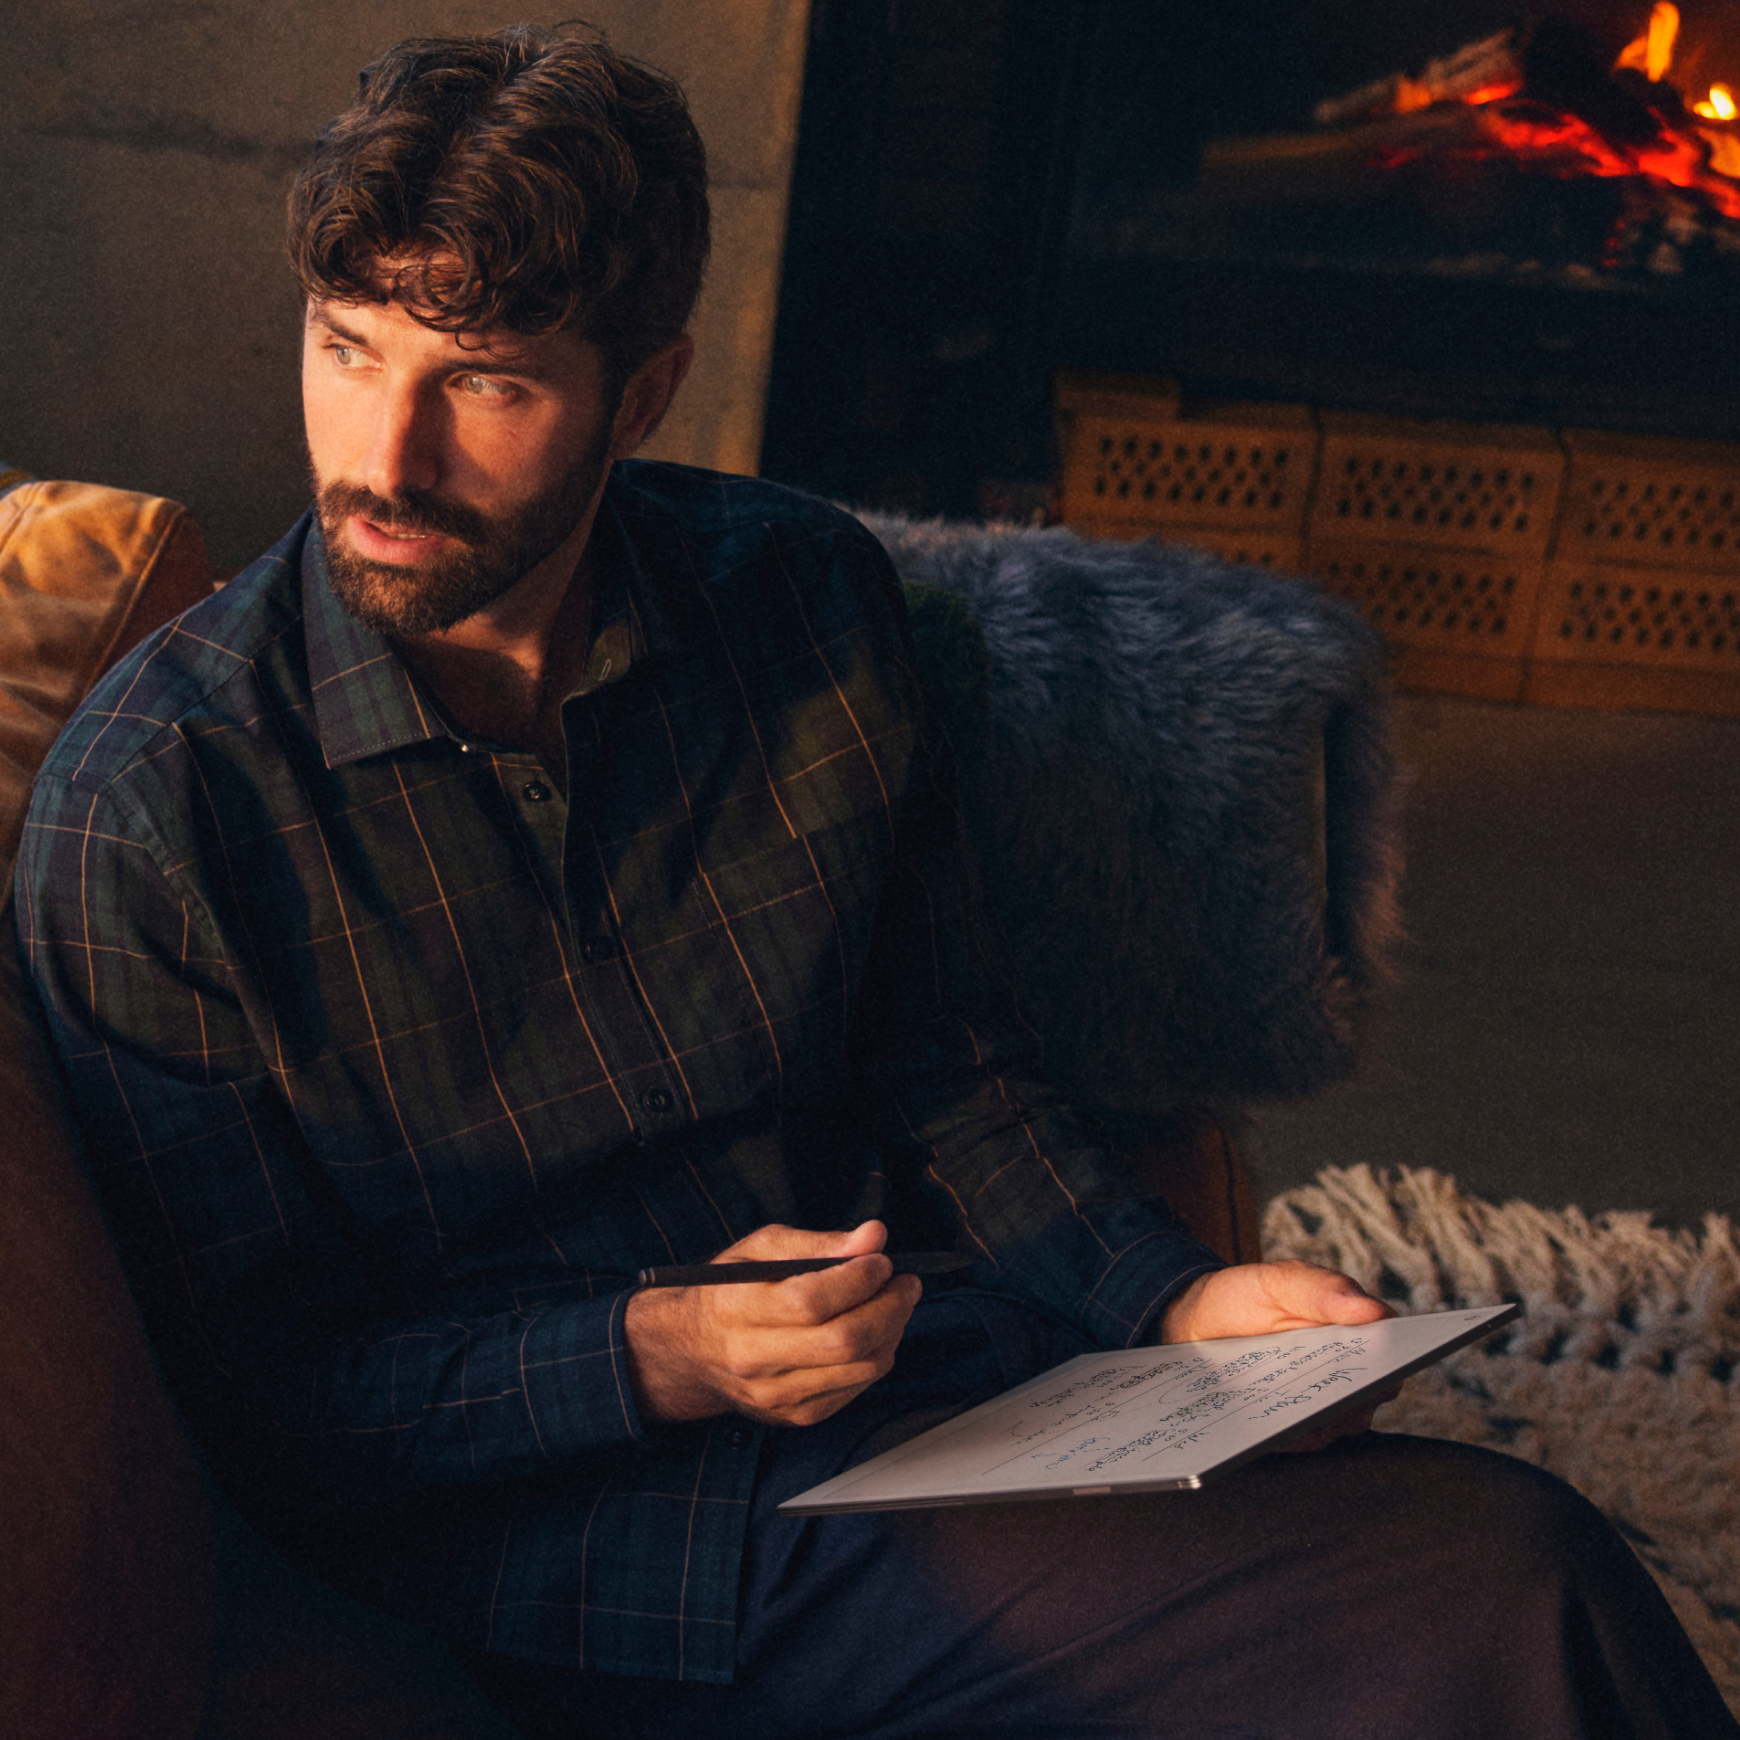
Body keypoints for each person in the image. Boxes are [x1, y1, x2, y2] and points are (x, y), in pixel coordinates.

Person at [15, 24, 1734, 1739]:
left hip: (918, 1387)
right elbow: (254, 1401)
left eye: (485, 381)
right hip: (563, 1534)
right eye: (346, 349)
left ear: (644, 393)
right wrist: (653, 1351)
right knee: (1495, 1574)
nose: (384, 460)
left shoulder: (802, 605)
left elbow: (948, 1065)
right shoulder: (155, 811)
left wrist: (1173, 1294)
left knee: (1478, 1577)